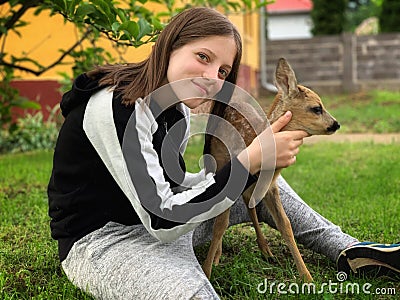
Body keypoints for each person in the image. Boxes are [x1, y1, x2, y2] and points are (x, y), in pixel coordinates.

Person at [48, 7, 399, 300]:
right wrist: (248, 161)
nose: (210, 77)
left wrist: (251, 165)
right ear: (168, 45)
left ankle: (351, 250)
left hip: (168, 217)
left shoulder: (176, 109)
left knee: (265, 182)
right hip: (109, 241)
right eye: (202, 57)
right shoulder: (115, 107)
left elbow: (171, 187)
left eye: (222, 71)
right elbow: (162, 220)